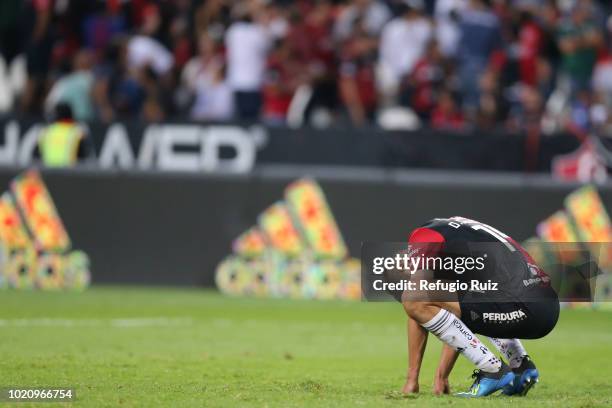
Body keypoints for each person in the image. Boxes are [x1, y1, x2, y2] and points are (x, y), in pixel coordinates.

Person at [385, 216, 559, 397]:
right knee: (467, 302)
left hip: (525, 306)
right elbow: (458, 319)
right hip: (545, 306)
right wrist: (441, 376)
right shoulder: (451, 234)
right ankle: (521, 367)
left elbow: (416, 299)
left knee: (416, 299)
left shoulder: (423, 236)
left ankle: (493, 370)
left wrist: (411, 379)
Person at [35, 103, 93, 167]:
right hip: (70, 175)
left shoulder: (45, 132)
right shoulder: (78, 133)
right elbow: (86, 159)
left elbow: (36, 158)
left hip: (47, 174)